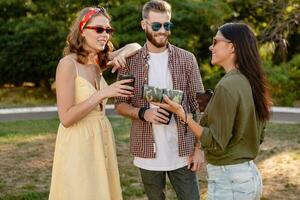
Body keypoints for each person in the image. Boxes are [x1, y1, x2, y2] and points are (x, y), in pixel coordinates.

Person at [153, 22, 272, 200]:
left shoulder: (227, 85)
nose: (211, 46)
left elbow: (214, 141)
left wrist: (181, 114)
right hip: (249, 177)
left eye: (215, 41)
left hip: (229, 181)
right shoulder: (251, 81)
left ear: (231, 47)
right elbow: (257, 135)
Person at [48, 6, 141, 200]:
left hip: (100, 136)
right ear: (82, 30)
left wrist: (122, 56)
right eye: (98, 29)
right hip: (77, 140)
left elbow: (136, 46)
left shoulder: (98, 61)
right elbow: (65, 118)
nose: (105, 35)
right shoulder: (68, 64)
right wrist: (102, 94)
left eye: (108, 30)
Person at [115, 1, 204, 199]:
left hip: (183, 151)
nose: (162, 31)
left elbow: (200, 106)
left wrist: (199, 148)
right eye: (156, 26)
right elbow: (120, 104)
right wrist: (143, 113)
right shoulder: (129, 62)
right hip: (147, 153)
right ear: (143, 25)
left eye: (167, 25)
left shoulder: (187, 59)